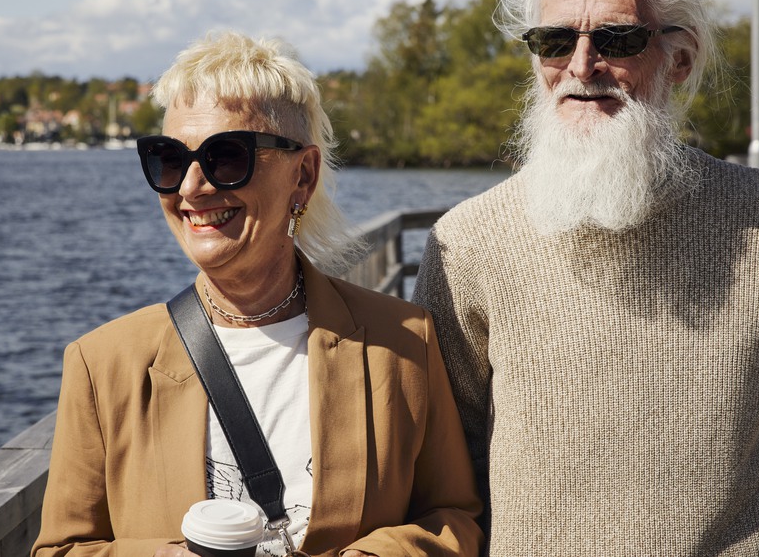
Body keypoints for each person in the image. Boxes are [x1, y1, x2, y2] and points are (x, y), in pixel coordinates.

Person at [411, 0, 759, 555]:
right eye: (555, 40)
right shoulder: (467, 242)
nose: (581, 65)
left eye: (617, 38)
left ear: (680, 59)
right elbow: (447, 470)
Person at [32, 31, 482, 557]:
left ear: (303, 176)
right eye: (169, 159)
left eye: (225, 157)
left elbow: (453, 519)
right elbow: (62, 548)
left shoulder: (401, 343)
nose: (190, 188)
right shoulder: (103, 364)